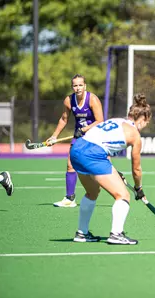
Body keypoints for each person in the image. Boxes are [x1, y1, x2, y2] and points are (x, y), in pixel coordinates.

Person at [69, 93, 151, 245]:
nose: (145, 126)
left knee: (92, 192)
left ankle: (82, 233)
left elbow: (102, 145)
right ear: (143, 119)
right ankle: (116, 234)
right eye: (147, 122)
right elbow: (136, 169)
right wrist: (138, 188)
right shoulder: (135, 135)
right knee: (123, 195)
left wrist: (113, 171)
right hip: (93, 155)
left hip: (76, 149)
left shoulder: (116, 121)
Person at [46, 74, 104, 208]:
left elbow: (100, 120)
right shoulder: (69, 100)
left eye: (80, 85)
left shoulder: (92, 99)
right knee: (70, 164)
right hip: (79, 136)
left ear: (85, 86)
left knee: (99, 166)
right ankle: (69, 198)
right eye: (75, 85)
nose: (77, 88)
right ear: (72, 87)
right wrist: (54, 136)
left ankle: (116, 187)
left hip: (95, 135)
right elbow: (64, 119)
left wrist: (85, 129)